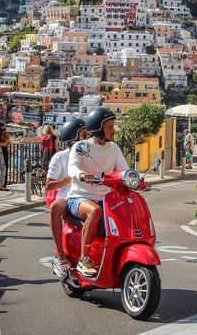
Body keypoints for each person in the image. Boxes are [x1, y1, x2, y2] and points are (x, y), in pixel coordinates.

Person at [67, 107, 128, 277]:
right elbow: (72, 166)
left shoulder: (114, 148)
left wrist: (136, 180)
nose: (113, 130)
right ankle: (83, 259)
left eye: (113, 126)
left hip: (107, 199)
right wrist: (81, 174)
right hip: (79, 197)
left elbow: (124, 169)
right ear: (98, 128)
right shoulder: (81, 146)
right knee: (95, 211)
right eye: (109, 127)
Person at [46, 117, 88, 274]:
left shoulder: (91, 154)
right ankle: (61, 255)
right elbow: (49, 185)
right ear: (73, 137)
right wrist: (68, 180)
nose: (88, 138)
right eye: (84, 135)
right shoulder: (61, 157)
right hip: (68, 196)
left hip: (88, 195)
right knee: (55, 208)